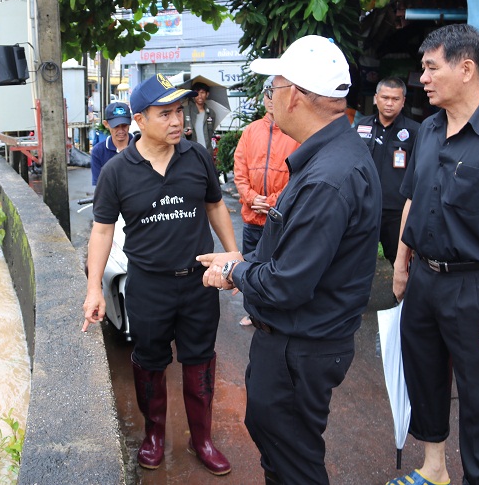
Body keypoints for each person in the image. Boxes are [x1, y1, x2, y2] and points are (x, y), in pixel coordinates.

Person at [197, 35, 382, 484]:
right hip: (301, 340)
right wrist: (245, 261)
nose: (270, 98)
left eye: (274, 87)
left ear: (295, 95)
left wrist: (235, 271)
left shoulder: (329, 177)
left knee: (294, 459)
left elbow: (288, 283)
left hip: (302, 345)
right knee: (281, 448)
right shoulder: (330, 159)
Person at [81, 73, 238, 475]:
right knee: (149, 361)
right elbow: (101, 231)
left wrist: (232, 252)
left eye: (179, 111)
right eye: (164, 113)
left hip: (198, 282)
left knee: (200, 360)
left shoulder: (197, 156)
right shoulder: (118, 170)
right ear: (139, 119)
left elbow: (215, 206)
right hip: (148, 285)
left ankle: (201, 440)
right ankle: (154, 436)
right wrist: (94, 288)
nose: (176, 121)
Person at [386, 24, 479, 485]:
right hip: (424, 278)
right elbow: (411, 199)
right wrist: (402, 265)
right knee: (425, 379)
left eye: (430, 67)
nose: (422, 77)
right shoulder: (428, 130)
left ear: (465, 69)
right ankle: (434, 470)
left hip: (477, 285)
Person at [234, 75, 300, 326]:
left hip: (279, 216)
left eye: (277, 94)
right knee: (251, 263)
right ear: (264, 98)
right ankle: (253, 311)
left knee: (277, 266)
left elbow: (297, 177)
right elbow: (239, 170)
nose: (272, 100)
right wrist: (251, 197)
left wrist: (272, 201)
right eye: (268, 95)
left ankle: (275, 313)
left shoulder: (294, 132)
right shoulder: (251, 131)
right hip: (252, 215)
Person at [354, 77, 420, 266]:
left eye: (395, 99)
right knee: (358, 258)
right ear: (376, 98)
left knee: (399, 259)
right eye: (385, 97)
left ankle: (402, 296)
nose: (389, 103)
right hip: (366, 206)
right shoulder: (361, 127)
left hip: (396, 210)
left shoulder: (415, 131)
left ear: (403, 101)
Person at [90, 101, 134, 185]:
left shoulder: (141, 146)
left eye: (124, 125)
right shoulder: (98, 152)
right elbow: (100, 186)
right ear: (106, 124)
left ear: (130, 122)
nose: (121, 130)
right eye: (116, 126)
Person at [184, 81, 216, 153]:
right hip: (191, 151)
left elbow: (210, 133)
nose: (200, 96)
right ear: (193, 95)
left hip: (206, 151)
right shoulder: (185, 111)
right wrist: (185, 132)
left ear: (207, 94)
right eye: (197, 93)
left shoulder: (211, 113)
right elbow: (180, 130)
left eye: (202, 92)